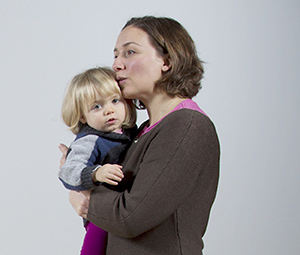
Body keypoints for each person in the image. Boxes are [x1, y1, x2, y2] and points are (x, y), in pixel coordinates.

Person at [62, 16, 220, 255]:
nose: (116, 65)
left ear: (166, 60)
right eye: (115, 55)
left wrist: (86, 199)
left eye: (130, 52)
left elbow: (130, 217)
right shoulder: (142, 131)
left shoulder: (187, 125)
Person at [58, 67, 137, 255]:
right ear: (83, 116)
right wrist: (96, 173)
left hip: (121, 210)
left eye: (115, 101)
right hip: (99, 214)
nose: (109, 110)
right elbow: (68, 171)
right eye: (97, 106)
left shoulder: (128, 133)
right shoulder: (90, 140)